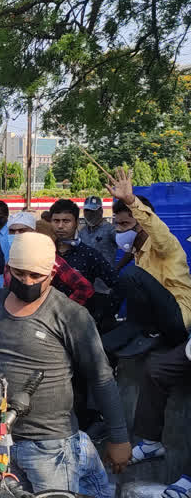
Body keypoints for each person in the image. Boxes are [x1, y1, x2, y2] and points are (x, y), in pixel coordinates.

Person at [0, 232, 131, 498]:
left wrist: (118, 438)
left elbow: (101, 377)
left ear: (52, 272)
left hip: (51, 447)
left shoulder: (70, 314)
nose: (26, 281)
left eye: (35, 276)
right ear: (8, 269)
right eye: (19, 273)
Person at [103, 170, 191, 488]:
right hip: (154, 326)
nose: (120, 230)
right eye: (117, 224)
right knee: (110, 340)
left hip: (179, 320)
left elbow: (159, 229)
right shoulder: (133, 255)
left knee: (133, 278)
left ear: (140, 222)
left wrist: (131, 200)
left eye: (126, 224)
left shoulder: (165, 246)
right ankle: (149, 441)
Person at [50, 199, 119, 332]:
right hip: (49, 322)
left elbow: (116, 283)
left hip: (79, 324)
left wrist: (102, 314)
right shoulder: (44, 252)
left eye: (66, 221)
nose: (60, 226)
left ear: (76, 223)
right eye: (56, 221)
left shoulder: (89, 255)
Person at [3, 212, 95, 306]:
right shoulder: (11, 259)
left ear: (33, 232)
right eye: (12, 231)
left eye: (22, 230)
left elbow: (84, 287)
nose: (16, 234)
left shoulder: (49, 259)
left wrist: (64, 311)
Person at [79, 195, 118, 265]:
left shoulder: (110, 230)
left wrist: (118, 268)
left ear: (101, 211)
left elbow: (129, 248)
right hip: (86, 273)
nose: (89, 214)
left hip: (106, 274)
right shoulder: (82, 232)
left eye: (93, 211)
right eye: (87, 210)